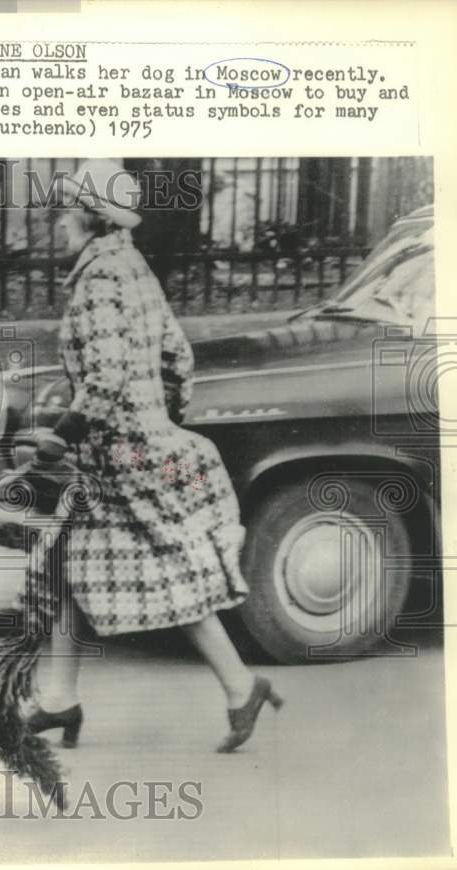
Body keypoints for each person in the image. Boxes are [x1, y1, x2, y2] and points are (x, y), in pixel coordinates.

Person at [26, 159, 283, 753]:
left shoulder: (97, 281)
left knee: (167, 577)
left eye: (66, 211)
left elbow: (107, 375)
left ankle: (241, 687)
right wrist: (158, 417)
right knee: (71, 562)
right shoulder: (132, 266)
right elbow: (177, 358)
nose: (59, 221)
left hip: (121, 460)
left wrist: (64, 433)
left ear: (89, 217)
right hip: (134, 447)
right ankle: (59, 699)